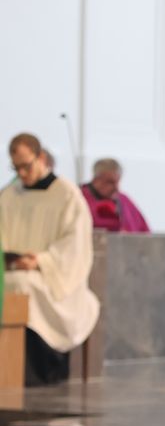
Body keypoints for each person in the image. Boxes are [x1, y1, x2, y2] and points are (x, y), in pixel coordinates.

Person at [0, 133, 99, 385]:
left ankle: (35, 372)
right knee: (15, 282)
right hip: (13, 270)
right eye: (16, 168)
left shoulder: (67, 195)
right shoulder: (9, 195)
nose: (21, 174)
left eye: (26, 166)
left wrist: (40, 261)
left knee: (23, 285)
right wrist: (11, 259)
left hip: (55, 278)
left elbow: (75, 244)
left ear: (41, 157)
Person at [81, 159, 151, 233]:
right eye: (110, 182)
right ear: (96, 179)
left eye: (118, 182)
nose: (116, 188)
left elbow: (145, 233)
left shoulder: (124, 200)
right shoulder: (80, 200)